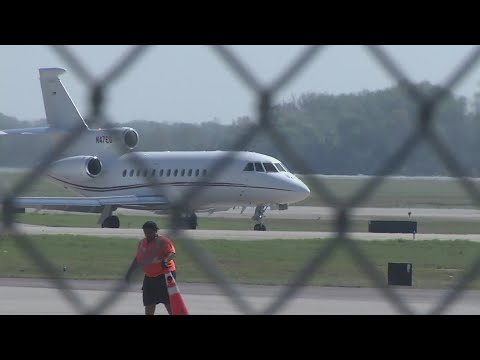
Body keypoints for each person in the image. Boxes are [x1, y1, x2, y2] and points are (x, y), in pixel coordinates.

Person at [124, 220, 177, 315]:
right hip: (149, 276)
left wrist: (165, 261)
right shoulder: (142, 243)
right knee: (149, 302)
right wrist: (130, 272)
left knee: (168, 302)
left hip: (164, 276)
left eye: (150, 232)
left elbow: (171, 254)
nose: (148, 235)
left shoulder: (163, 241)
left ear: (156, 231)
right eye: (146, 232)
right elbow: (137, 259)